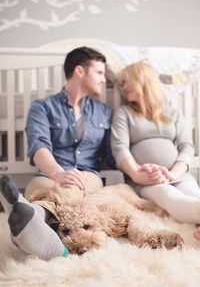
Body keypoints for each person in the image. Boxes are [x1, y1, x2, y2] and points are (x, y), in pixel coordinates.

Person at [0, 46, 115, 260]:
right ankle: (32, 224)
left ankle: (27, 220)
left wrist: (140, 166)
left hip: (87, 176)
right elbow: (38, 146)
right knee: (41, 190)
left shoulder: (104, 112)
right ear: (80, 71)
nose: (103, 79)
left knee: (68, 187)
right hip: (48, 176)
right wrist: (58, 173)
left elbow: (113, 155)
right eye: (99, 73)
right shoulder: (42, 107)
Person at [111, 61, 200, 244]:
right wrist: (138, 175)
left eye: (128, 81)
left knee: (196, 194)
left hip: (178, 174)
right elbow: (120, 148)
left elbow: (187, 147)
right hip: (147, 181)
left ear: (143, 80)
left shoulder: (172, 113)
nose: (124, 87)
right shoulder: (124, 113)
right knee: (170, 197)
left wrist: (173, 173)